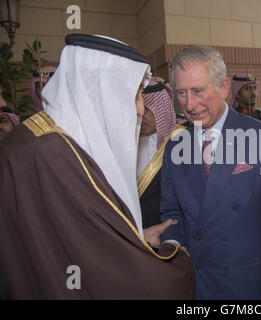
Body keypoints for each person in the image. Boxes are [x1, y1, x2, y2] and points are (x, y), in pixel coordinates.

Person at [0, 34, 194, 299]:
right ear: (102, 90)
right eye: (135, 93)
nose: (140, 109)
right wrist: (176, 265)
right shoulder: (50, 155)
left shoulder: (51, 143)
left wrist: (135, 236)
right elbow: (103, 270)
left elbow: (77, 239)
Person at [159, 45, 261, 299]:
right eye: (181, 93)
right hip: (194, 285)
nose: (189, 105)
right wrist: (172, 243)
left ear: (223, 88)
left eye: (197, 91)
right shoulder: (174, 147)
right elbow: (172, 212)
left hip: (248, 286)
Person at [137, 77, 185, 229]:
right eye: (139, 108)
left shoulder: (183, 142)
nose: (141, 115)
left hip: (173, 231)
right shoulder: (127, 143)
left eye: (149, 109)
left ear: (162, 108)